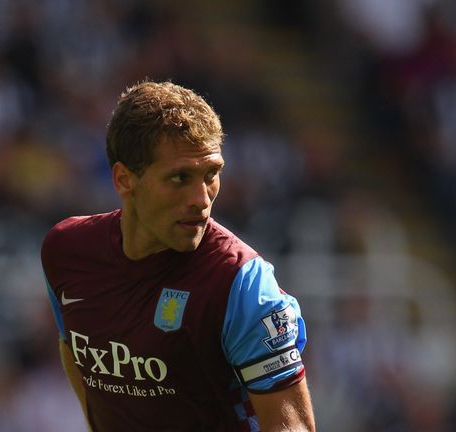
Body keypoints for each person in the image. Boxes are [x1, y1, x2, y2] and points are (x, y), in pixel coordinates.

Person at [41, 80, 315, 431]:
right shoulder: (66, 251)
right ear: (124, 180)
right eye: (179, 177)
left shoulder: (241, 283)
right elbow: (73, 346)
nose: (202, 199)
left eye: (211, 174)